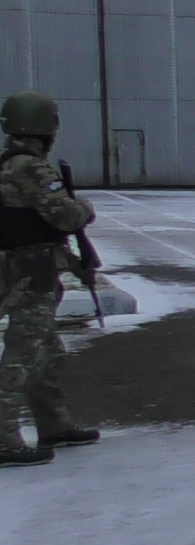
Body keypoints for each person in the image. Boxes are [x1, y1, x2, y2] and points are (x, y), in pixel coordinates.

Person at [0, 92, 101, 466]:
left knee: (47, 351)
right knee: (22, 355)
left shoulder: (6, 164)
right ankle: (4, 437)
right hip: (33, 272)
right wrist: (86, 208)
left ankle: (54, 424)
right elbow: (65, 217)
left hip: (22, 265)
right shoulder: (32, 168)